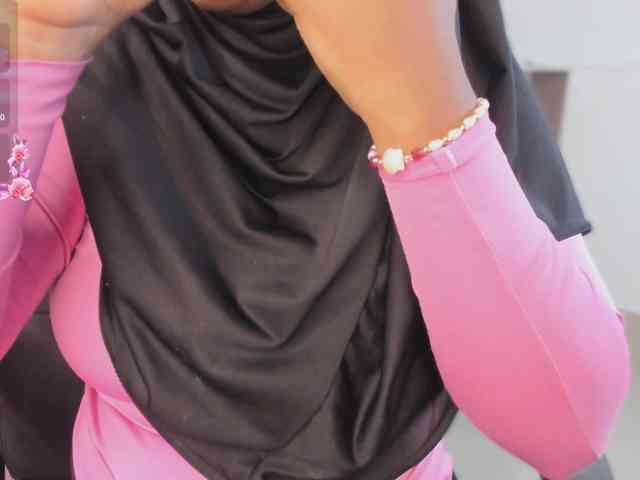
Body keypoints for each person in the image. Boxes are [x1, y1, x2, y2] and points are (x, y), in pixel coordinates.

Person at [0, 1, 632, 479]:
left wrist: (423, 109)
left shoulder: (431, 34)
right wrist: (37, 48)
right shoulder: (112, 45)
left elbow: (567, 431)